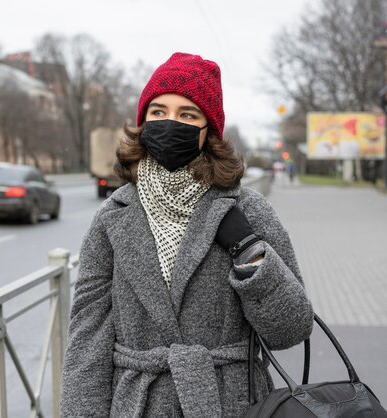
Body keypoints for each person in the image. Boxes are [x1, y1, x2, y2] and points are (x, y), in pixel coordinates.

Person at [60, 52, 314, 417]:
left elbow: (291, 329)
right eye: (158, 112)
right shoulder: (112, 217)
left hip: (231, 403)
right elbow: (87, 341)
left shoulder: (246, 209)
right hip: (137, 405)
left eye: (187, 115)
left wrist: (250, 252)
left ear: (208, 130)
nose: (170, 123)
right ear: (143, 122)